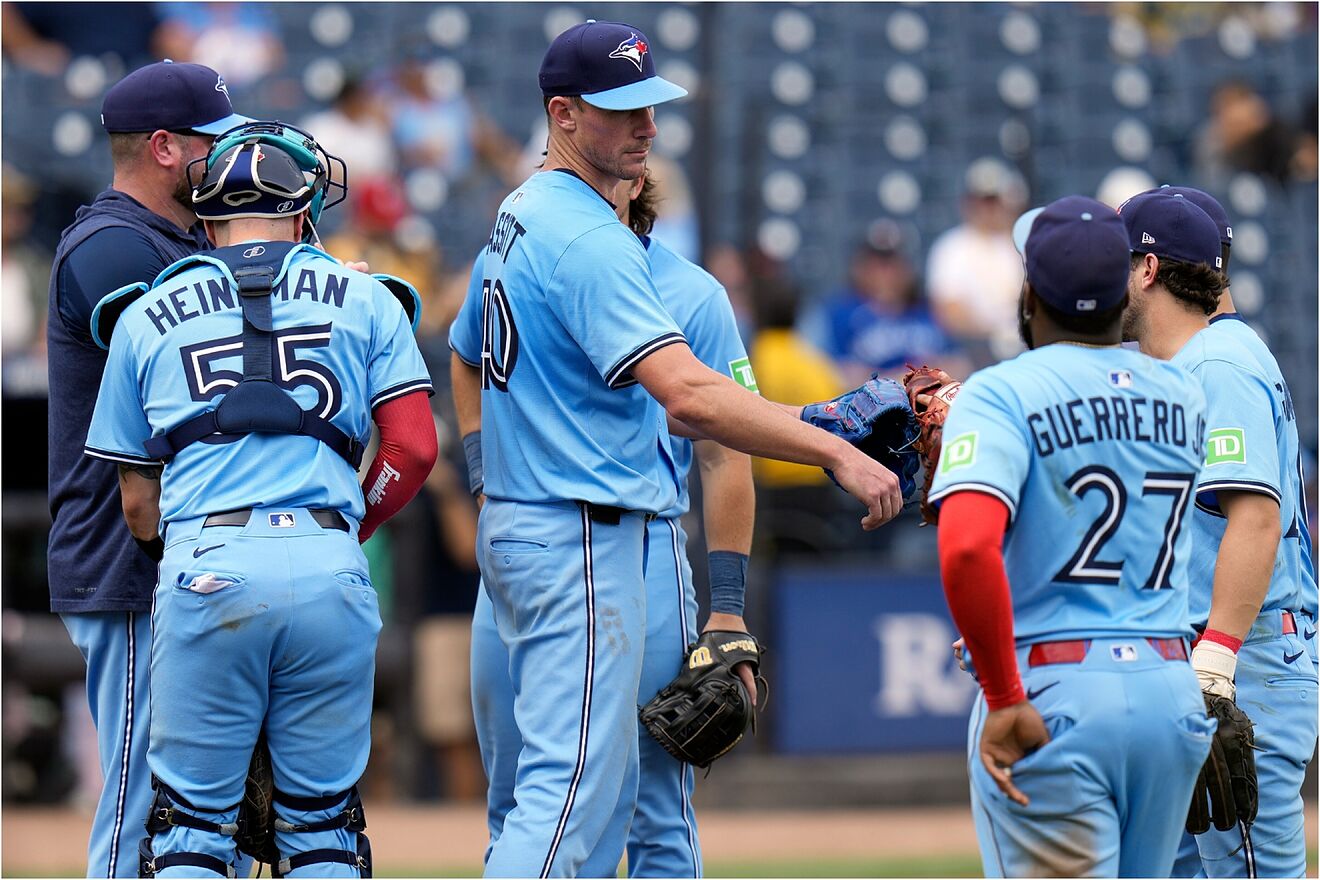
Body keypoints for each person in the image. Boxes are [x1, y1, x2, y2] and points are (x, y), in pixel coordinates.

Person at [449, 19, 900, 876]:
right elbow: (691, 396)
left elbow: (466, 355)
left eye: (650, 110)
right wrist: (832, 446)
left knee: (555, 802)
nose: (646, 129)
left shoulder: (521, 215)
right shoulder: (586, 239)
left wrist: (487, 481)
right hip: (583, 535)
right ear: (563, 115)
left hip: (543, 531)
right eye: (622, 113)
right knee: (566, 798)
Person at [83, 121, 436, 878]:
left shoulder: (143, 313)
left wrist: (190, 552)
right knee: (323, 830)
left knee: (191, 833)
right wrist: (345, 525)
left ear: (205, 219)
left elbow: (137, 505)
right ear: (305, 209)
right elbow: (412, 449)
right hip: (331, 564)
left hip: (205, 562)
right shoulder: (369, 295)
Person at [453, 168, 756, 876]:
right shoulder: (521, 253)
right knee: (525, 798)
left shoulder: (692, 293)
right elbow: (465, 358)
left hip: (640, 543)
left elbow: (724, 456)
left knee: (652, 806)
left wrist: (730, 608)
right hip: (529, 540)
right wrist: (482, 477)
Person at [930, 195, 1214, 876]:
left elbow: (968, 548)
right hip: (1168, 691)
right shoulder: (1184, 394)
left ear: (1029, 294)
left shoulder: (997, 394)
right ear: (1125, 288)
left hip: (1054, 693)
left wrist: (1002, 697)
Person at [46, 59, 248, 879]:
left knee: (213, 818)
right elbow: (207, 380)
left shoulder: (180, 237)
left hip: (188, 553)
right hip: (130, 559)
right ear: (165, 147)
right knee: (140, 810)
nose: (234, 162)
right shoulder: (113, 246)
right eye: (216, 143)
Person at [1119, 187, 1319, 878]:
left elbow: (1256, 518)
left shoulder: (1217, 362)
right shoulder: (1192, 363)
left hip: (1243, 659)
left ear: (1147, 270)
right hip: (1203, 656)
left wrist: (1218, 661)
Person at [799, 219, 964, 387]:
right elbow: (832, 374)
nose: (886, 272)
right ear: (860, 267)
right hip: (865, 409)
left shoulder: (927, 311)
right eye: (878, 264)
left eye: (893, 263)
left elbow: (958, 365)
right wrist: (899, 380)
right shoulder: (838, 314)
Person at [925, 157, 1027, 367]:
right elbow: (948, 311)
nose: (988, 208)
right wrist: (996, 332)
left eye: (994, 200)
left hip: (1025, 344)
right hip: (971, 351)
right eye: (982, 200)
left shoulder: (1023, 244)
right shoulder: (953, 247)